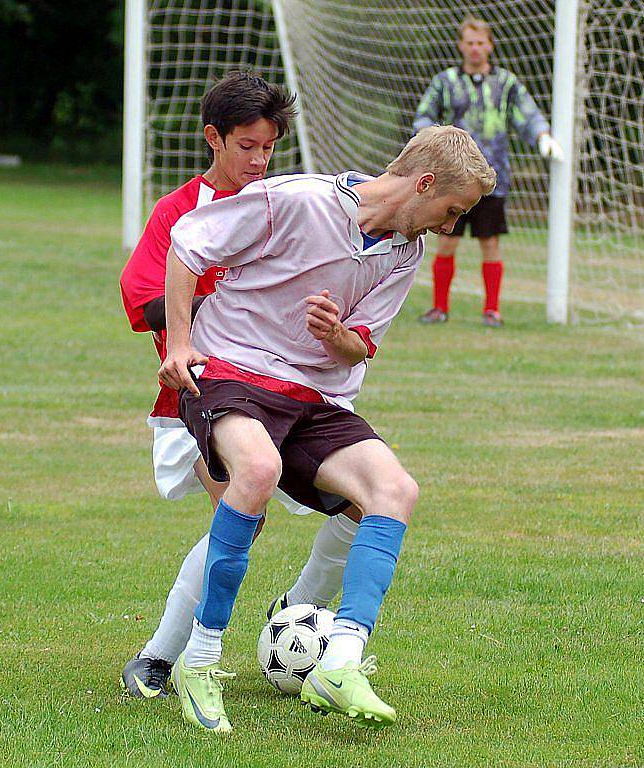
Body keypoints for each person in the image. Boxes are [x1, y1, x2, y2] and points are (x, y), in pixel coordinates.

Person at [159, 124, 496, 732]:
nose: (450, 228)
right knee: (258, 471)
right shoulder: (300, 200)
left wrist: (337, 336)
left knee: (395, 491)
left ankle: (339, 663)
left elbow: (359, 346)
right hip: (233, 371)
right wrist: (180, 343)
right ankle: (199, 660)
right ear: (423, 184)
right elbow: (188, 241)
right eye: (452, 211)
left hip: (314, 397)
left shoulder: (403, 252)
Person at [118, 71, 361, 701]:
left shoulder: (286, 204)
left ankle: (297, 616)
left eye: (268, 148)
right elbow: (143, 295)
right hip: (199, 399)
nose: (258, 160)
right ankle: (159, 660)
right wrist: (223, 301)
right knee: (242, 514)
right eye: (246, 146)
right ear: (213, 140)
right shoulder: (180, 214)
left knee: (369, 504)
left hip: (287, 401)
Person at [413, 16, 563, 327]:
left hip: (492, 179)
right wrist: (429, 143)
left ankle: (492, 309)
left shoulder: (506, 83)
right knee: (447, 238)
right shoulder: (445, 81)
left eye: (481, 43)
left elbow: (527, 114)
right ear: (461, 46)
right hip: (452, 178)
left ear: (490, 46)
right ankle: (439, 307)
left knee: (490, 242)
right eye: (469, 43)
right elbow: (424, 115)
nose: (475, 49)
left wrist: (542, 135)